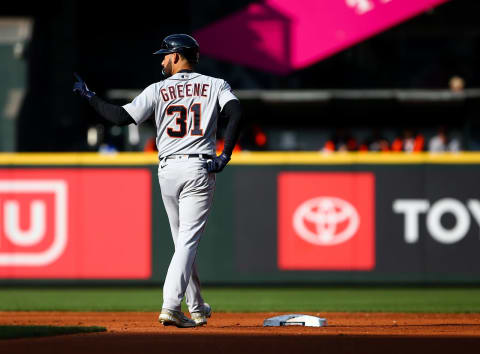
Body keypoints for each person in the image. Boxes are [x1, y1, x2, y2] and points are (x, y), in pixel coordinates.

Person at [73, 34, 242, 328]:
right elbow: (236, 112)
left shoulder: (157, 90)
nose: (162, 60)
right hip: (198, 167)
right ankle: (171, 306)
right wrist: (225, 154)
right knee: (187, 242)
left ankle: (198, 306)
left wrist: (90, 96)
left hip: (168, 170)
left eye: (165, 55)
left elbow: (119, 117)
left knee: (182, 242)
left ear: (177, 57)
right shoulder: (216, 84)